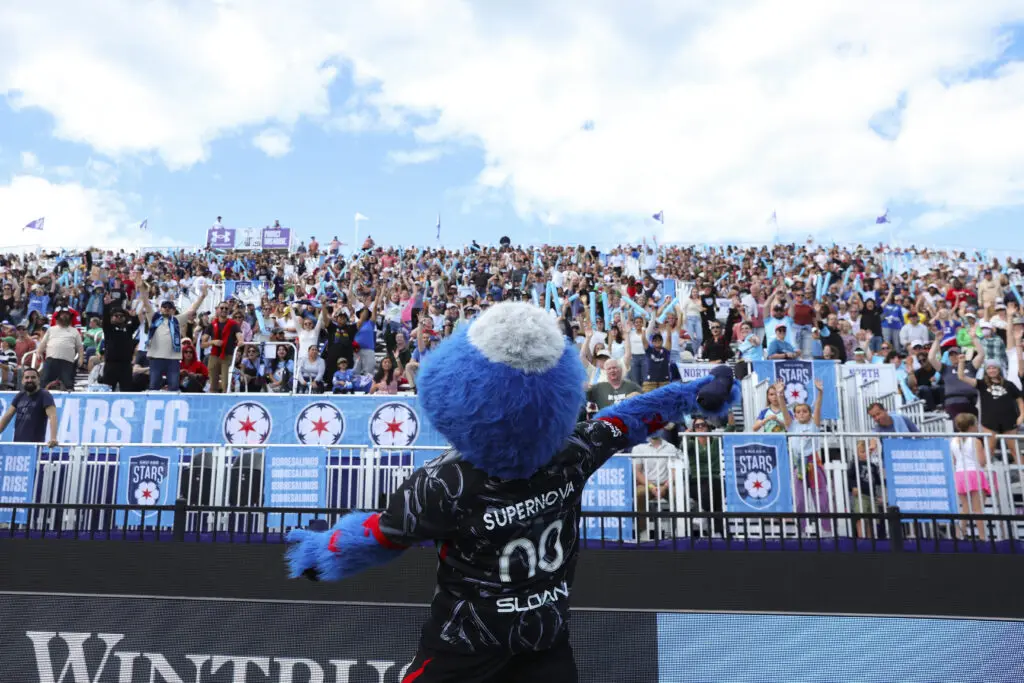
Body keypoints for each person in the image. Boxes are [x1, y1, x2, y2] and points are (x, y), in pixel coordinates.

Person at [284, 302, 740, 682]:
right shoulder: (574, 452)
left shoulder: (443, 482)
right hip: (545, 645)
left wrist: (322, 555)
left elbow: (381, 535)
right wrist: (699, 392)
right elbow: (632, 418)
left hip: (464, 649)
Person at [949, 413, 992, 541]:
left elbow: (954, 461)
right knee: (978, 508)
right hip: (974, 473)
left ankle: (959, 534)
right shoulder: (976, 441)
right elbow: (982, 461)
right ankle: (983, 537)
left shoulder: (953, 441)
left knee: (965, 508)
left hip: (960, 474)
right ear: (971, 426)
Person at [0, 367, 58, 446]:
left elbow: (52, 416)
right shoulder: (19, 396)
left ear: (38, 380)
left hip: (34, 447)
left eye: (33, 377)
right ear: (22, 381)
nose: (30, 380)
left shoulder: (45, 395)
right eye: (27, 377)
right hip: (17, 445)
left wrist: (53, 438)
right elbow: (7, 416)